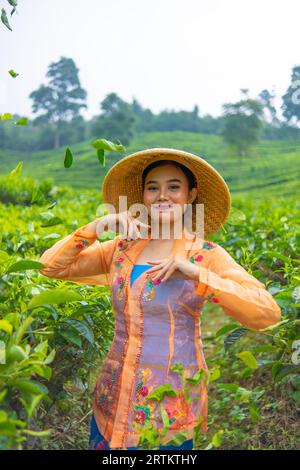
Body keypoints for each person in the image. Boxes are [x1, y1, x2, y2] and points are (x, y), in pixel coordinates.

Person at [38, 147, 281, 450]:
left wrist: (197, 275)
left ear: (191, 194)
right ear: (143, 196)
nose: (162, 195)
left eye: (173, 187)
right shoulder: (121, 249)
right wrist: (97, 227)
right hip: (111, 399)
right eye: (153, 187)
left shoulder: (206, 256)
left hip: (167, 410)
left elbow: (267, 313)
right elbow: (49, 267)